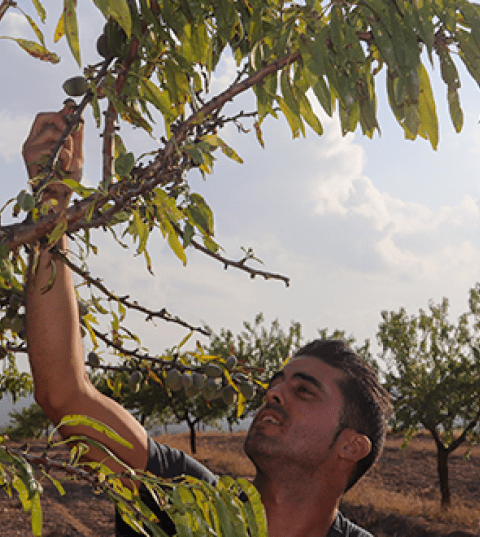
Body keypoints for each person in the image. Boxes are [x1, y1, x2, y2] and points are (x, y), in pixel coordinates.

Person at [23, 107, 392, 537]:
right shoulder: (182, 503)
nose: (273, 393)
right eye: (278, 381)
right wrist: (50, 209)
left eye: (304, 390)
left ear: (351, 445)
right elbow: (64, 393)